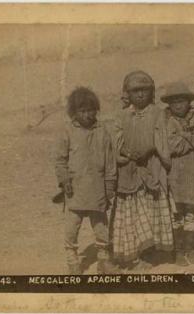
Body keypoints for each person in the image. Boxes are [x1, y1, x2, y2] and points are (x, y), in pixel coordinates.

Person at [112, 70, 173, 270]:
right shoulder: (121, 116)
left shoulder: (158, 113)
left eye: (145, 90)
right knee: (133, 214)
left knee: (151, 211)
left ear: (151, 92)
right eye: (135, 91)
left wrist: (150, 150)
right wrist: (125, 155)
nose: (140, 95)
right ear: (127, 93)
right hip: (129, 172)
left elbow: (163, 141)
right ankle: (133, 255)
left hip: (151, 169)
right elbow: (115, 143)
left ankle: (148, 254)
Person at [55, 87, 119, 274]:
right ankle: (72, 260)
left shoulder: (102, 132)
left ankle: (103, 259)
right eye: (82, 111)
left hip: (98, 189)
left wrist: (109, 186)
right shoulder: (67, 132)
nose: (87, 115)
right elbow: (60, 160)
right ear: (74, 113)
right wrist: (64, 179)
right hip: (74, 190)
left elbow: (110, 162)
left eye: (91, 110)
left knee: (101, 227)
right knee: (71, 227)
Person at [161, 81, 194, 266]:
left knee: (190, 214)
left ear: (188, 102)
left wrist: (184, 137)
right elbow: (172, 146)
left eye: (182, 101)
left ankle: (190, 248)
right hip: (174, 176)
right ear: (169, 104)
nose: (178, 105)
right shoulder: (167, 120)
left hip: (192, 174)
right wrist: (191, 138)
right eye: (174, 102)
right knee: (176, 215)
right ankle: (178, 251)